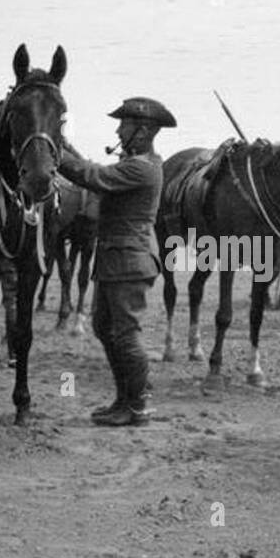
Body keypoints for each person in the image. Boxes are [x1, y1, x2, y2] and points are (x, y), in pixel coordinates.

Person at [59, 97, 172, 427]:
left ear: (143, 130)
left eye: (124, 124)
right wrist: (65, 147)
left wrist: (56, 154)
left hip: (128, 262)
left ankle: (137, 406)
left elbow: (94, 177)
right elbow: (97, 172)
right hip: (116, 261)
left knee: (125, 334)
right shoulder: (137, 162)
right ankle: (125, 399)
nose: (118, 129)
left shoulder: (143, 167)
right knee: (103, 328)